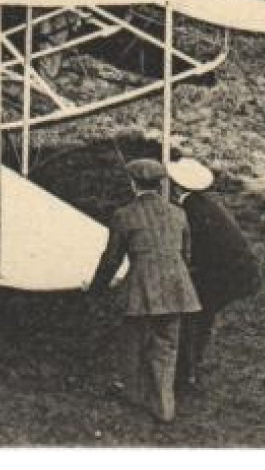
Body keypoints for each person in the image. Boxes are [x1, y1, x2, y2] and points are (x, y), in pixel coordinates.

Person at [88, 157, 200, 424]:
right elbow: (186, 254)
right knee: (167, 345)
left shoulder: (124, 216)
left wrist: (96, 289)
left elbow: (111, 259)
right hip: (177, 286)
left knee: (132, 342)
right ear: (161, 183)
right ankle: (164, 405)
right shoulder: (178, 214)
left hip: (141, 287)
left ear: (133, 183)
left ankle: (133, 393)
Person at [168, 157, 261, 392]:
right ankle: (191, 366)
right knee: (199, 316)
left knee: (190, 317)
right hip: (235, 271)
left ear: (177, 186)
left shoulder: (190, 212)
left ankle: (184, 377)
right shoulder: (203, 204)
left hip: (225, 276)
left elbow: (193, 253)